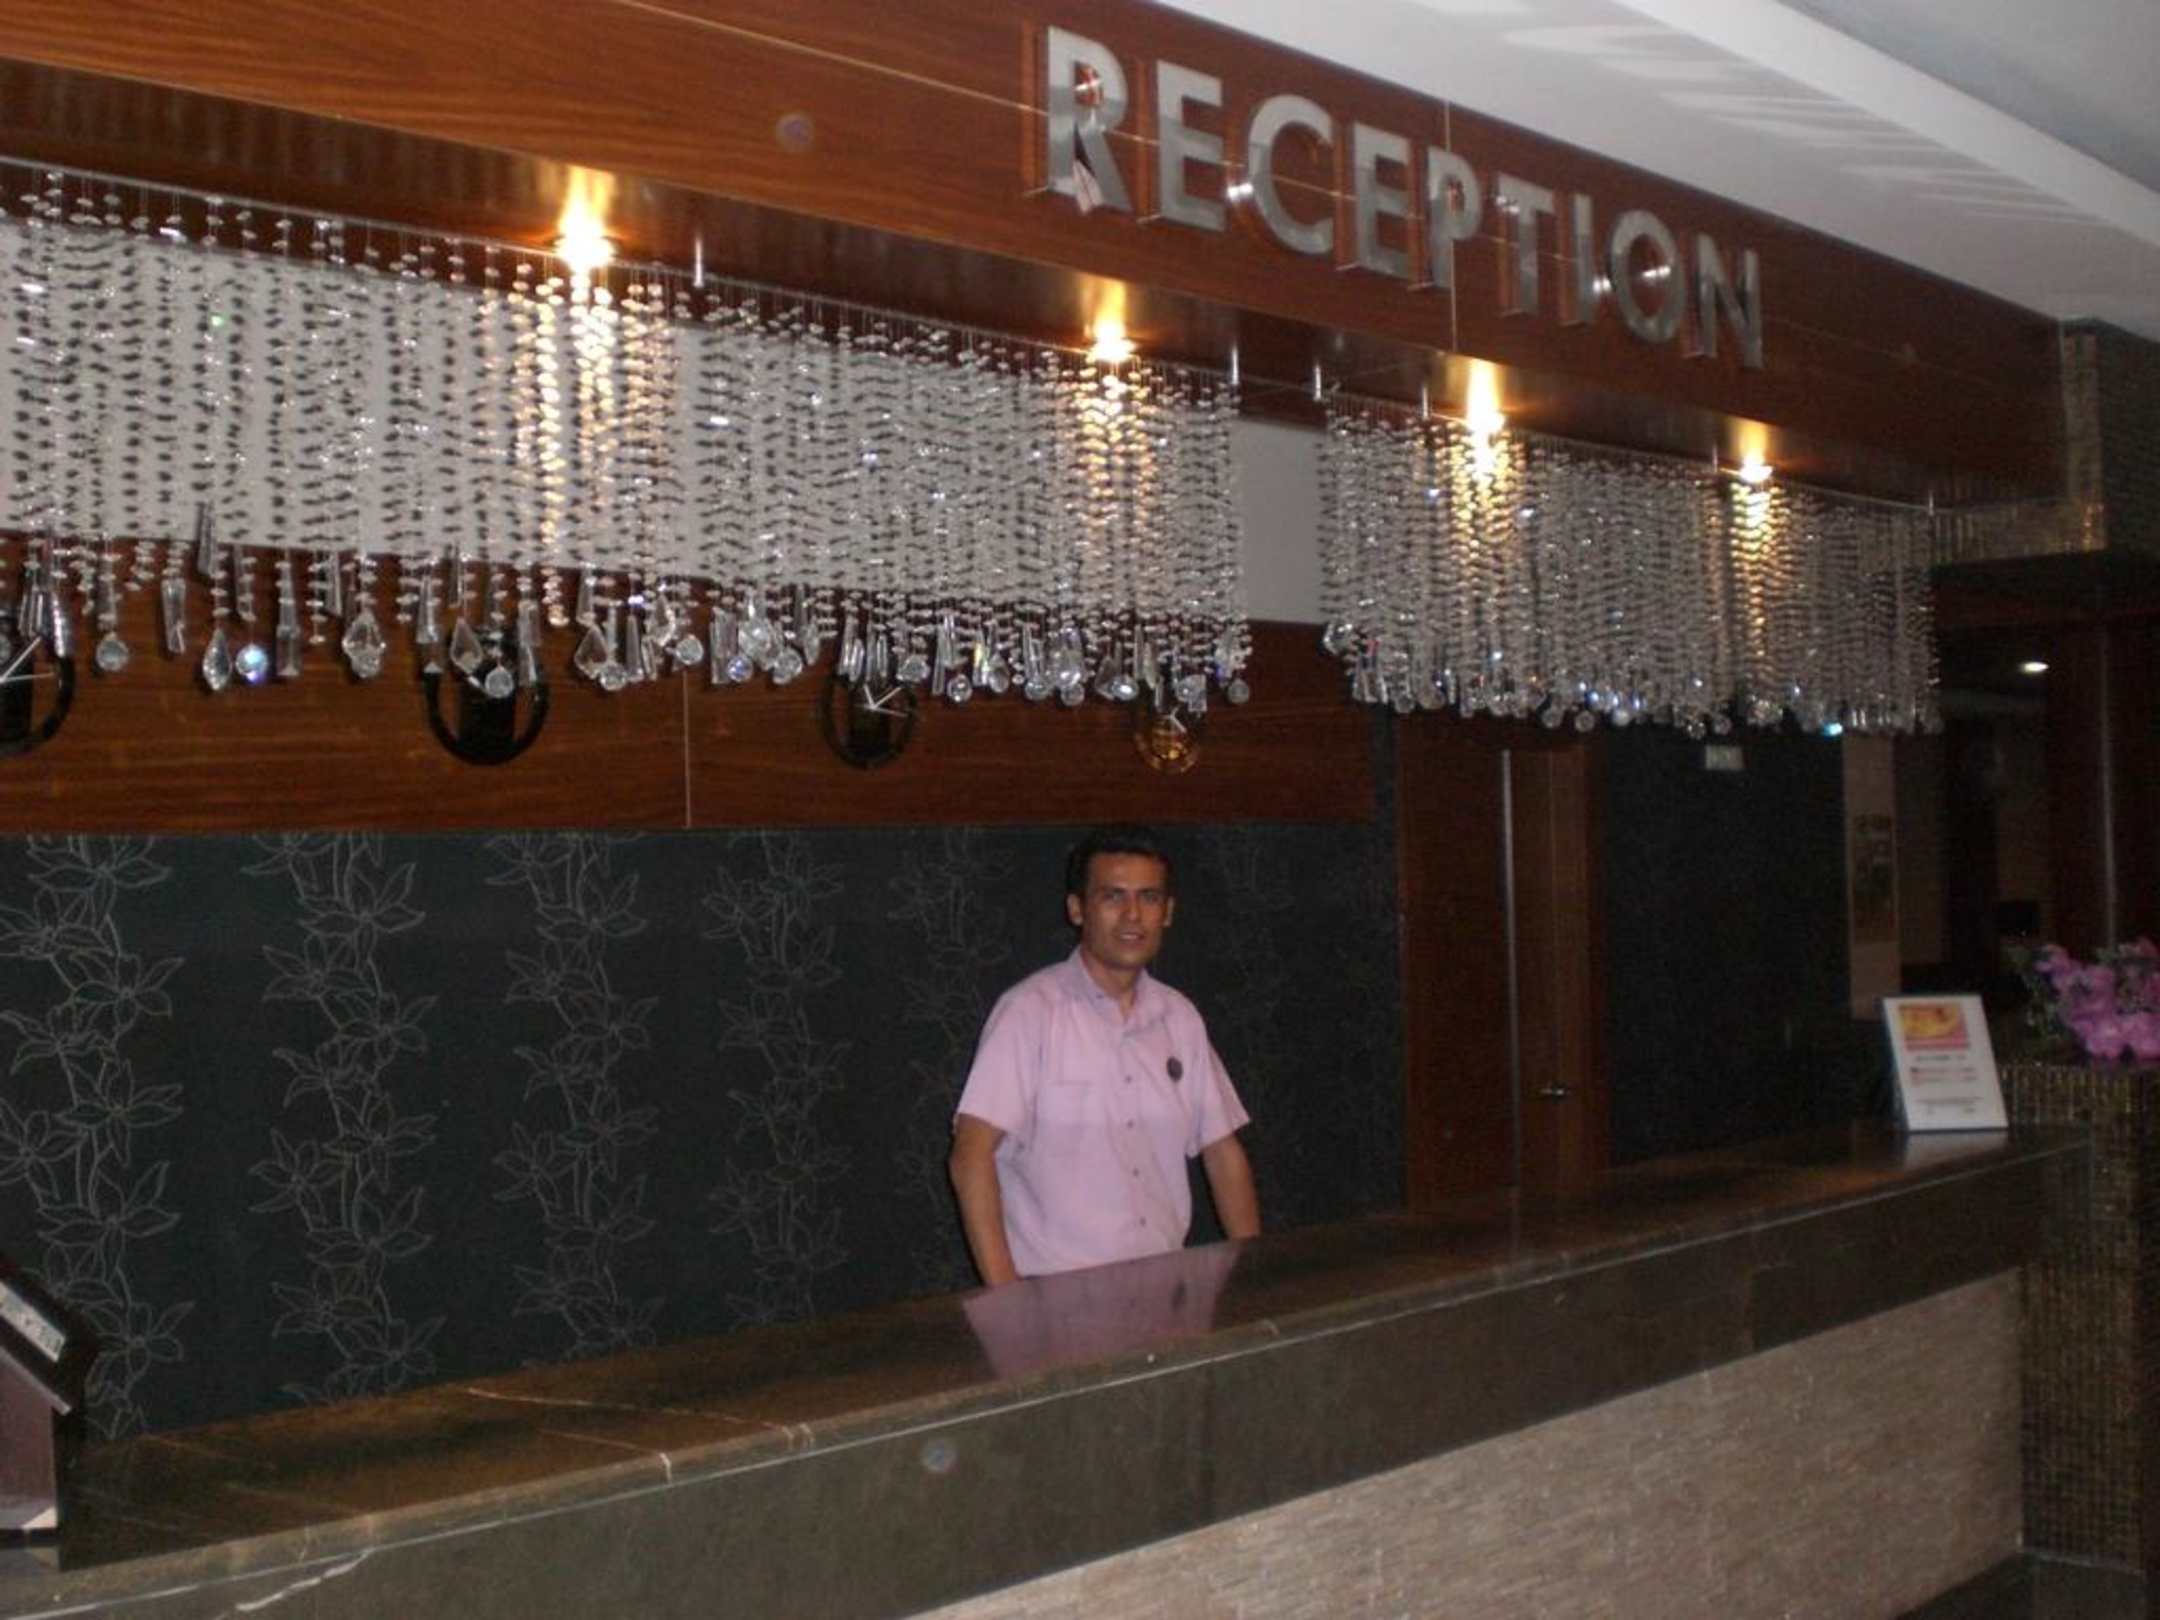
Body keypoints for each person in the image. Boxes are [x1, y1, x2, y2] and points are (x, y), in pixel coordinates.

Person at [949, 825, 1260, 1285]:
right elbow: (970, 1156)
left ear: (1168, 912)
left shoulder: (1179, 1017)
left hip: (1167, 1288)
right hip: (1056, 1296)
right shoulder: (1029, 1012)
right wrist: (1006, 1301)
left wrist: (1255, 1272)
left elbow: (1222, 1152)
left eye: (1149, 897)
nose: (1133, 915)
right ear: (1077, 909)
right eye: (1113, 897)